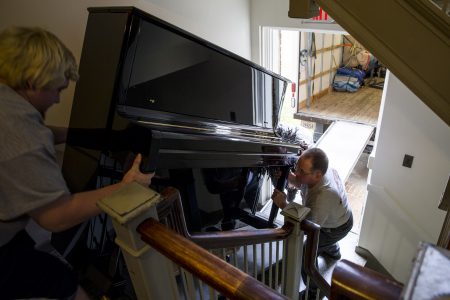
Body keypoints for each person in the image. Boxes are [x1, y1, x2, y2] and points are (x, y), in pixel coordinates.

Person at [0, 26, 153, 299]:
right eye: (58, 90)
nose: (58, 98)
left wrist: (101, 137)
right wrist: (126, 186)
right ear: (34, 80)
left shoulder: (7, 101)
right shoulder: (21, 129)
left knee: (23, 243)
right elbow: (56, 217)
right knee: (61, 279)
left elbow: (38, 135)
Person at [271, 147, 353, 299]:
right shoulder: (317, 170)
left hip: (337, 227)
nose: (297, 172)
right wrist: (287, 175)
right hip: (334, 216)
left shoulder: (324, 196)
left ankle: (312, 291)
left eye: (301, 171)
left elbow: (307, 226)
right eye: (297, 167)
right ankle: (333, 250)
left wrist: (284, 204)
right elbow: (299, 181)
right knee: (323, 242)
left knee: (306, 253)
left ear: (318, 175)